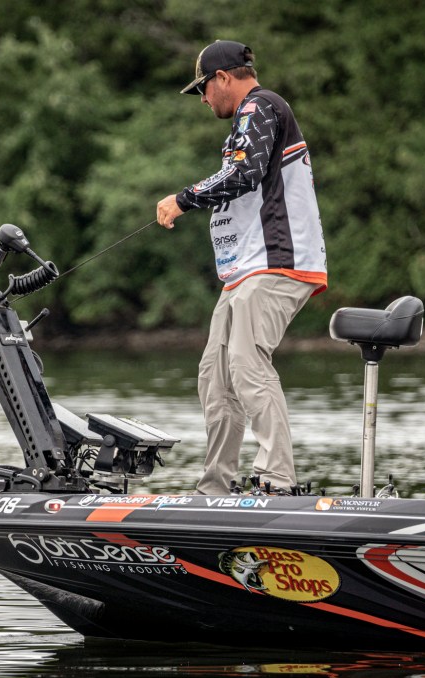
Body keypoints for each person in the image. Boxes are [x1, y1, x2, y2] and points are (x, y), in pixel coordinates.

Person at [156, 40, 327, 496]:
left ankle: (277, 481)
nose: (203, 99)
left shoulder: (260, 105)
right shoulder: (249, 118)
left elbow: (243, 173)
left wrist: (183, 199)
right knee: (215, 376)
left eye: (203, 89)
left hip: (277, 262)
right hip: (246, 271)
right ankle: (216, 487)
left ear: (223, 78)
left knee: (247, 363)